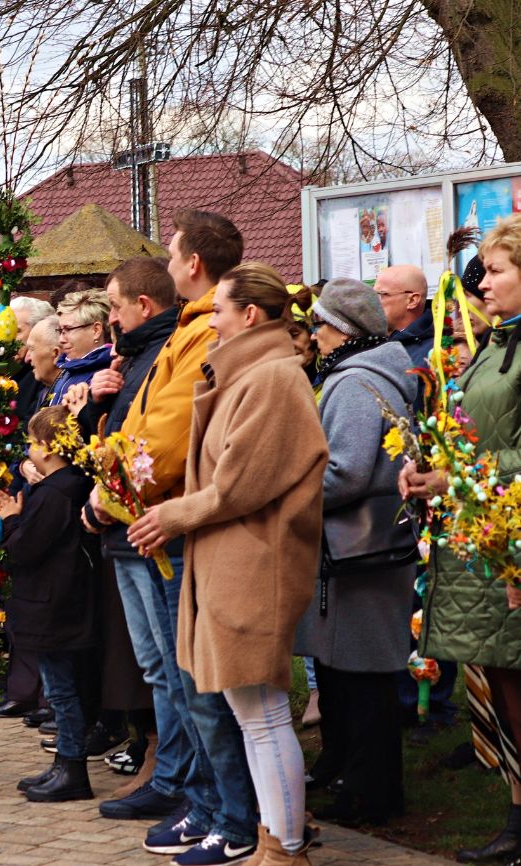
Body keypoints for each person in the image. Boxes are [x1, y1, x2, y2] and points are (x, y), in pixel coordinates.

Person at [129, 262, 328, 865]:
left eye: (219, 310)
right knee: (251, 714)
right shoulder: (248, 375)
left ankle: (285, 846)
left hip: (256, 562)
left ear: (250, 315)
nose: (209, 319)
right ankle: (275, 837)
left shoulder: (271, 379)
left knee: (263, 715)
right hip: (232, 559)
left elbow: (239, 484)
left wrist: (174, 515)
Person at [95, 210, 255, 866]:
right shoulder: (187, 328)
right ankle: (205, 802)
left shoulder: (201, 331)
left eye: (172, 253)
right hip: (154, 516)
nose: (166, 263)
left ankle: (228, 814)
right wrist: (110, 456)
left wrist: (106, 483)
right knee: (187, 680)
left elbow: (161, 437)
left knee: (200, 683)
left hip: (171, 518)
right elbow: (141, 418)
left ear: (193, 264)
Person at [402, 214, 521, 864]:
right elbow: (476, 432)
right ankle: (516, 817)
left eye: (498, 270)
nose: (484, 285)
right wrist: (424, 468)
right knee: (505, 692)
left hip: (511, 549)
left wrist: (458, 475)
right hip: (486, 544)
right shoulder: (497, 345)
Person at [294, 277, 415, 827]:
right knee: (346, 672)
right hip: (357, 550)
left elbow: (344, 472)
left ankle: (371, 793)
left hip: (358, 552)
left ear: (343, 330)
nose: (312, 335)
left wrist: (287, 494)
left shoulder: (354, 382)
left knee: (364, 677)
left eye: (319, 324)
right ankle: (347, 769)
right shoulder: (363, 375)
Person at [69, 256, 180, 792]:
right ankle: (165, 767)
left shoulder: (163, 352)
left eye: (113, 307)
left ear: (142, 305)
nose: (109, 319)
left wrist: (102, 504)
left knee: (166, 664)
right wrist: (98, 404)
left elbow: (148, 449)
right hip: (122, 527)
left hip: (144, 527)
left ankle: (173, 771)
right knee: (152, 663)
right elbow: (108, 440)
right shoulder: (131, 356)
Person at [0, 404, 97, 803]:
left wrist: (11, 518)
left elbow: (27, 547)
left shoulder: (57, 492)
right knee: (60, 686)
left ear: (50, 449)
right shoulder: (66, 485)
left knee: (62, 690)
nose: (29, 450)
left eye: (33, 443)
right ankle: (63, 765)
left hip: (55, 603)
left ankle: (73, 767)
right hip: (60, 600)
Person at [49, 289, 113, 405]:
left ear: (96, 330)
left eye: (68, 329)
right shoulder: (70, 368)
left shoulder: (106, 375)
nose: (61, 340)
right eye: (60, 331)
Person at [375, 265, 433, 369]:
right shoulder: (369, 341)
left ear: (412, 300)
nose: (374, 302)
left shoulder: (434, 352)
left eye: (382, 295)